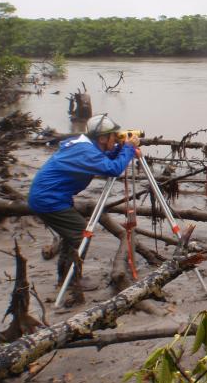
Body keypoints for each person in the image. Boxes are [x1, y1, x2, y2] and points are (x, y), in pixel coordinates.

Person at [29, 113, 141, 302]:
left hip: (51, 197)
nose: (116, 139)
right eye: (114, 137)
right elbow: (112, 169)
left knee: (72, 233)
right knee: (80, 233)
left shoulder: (83, 146)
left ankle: (66, 276)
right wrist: (128, 149)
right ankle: (71, 281)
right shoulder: (85, 151)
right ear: (103, 138)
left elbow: (103, 159)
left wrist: (121, 150)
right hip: (49, 200)